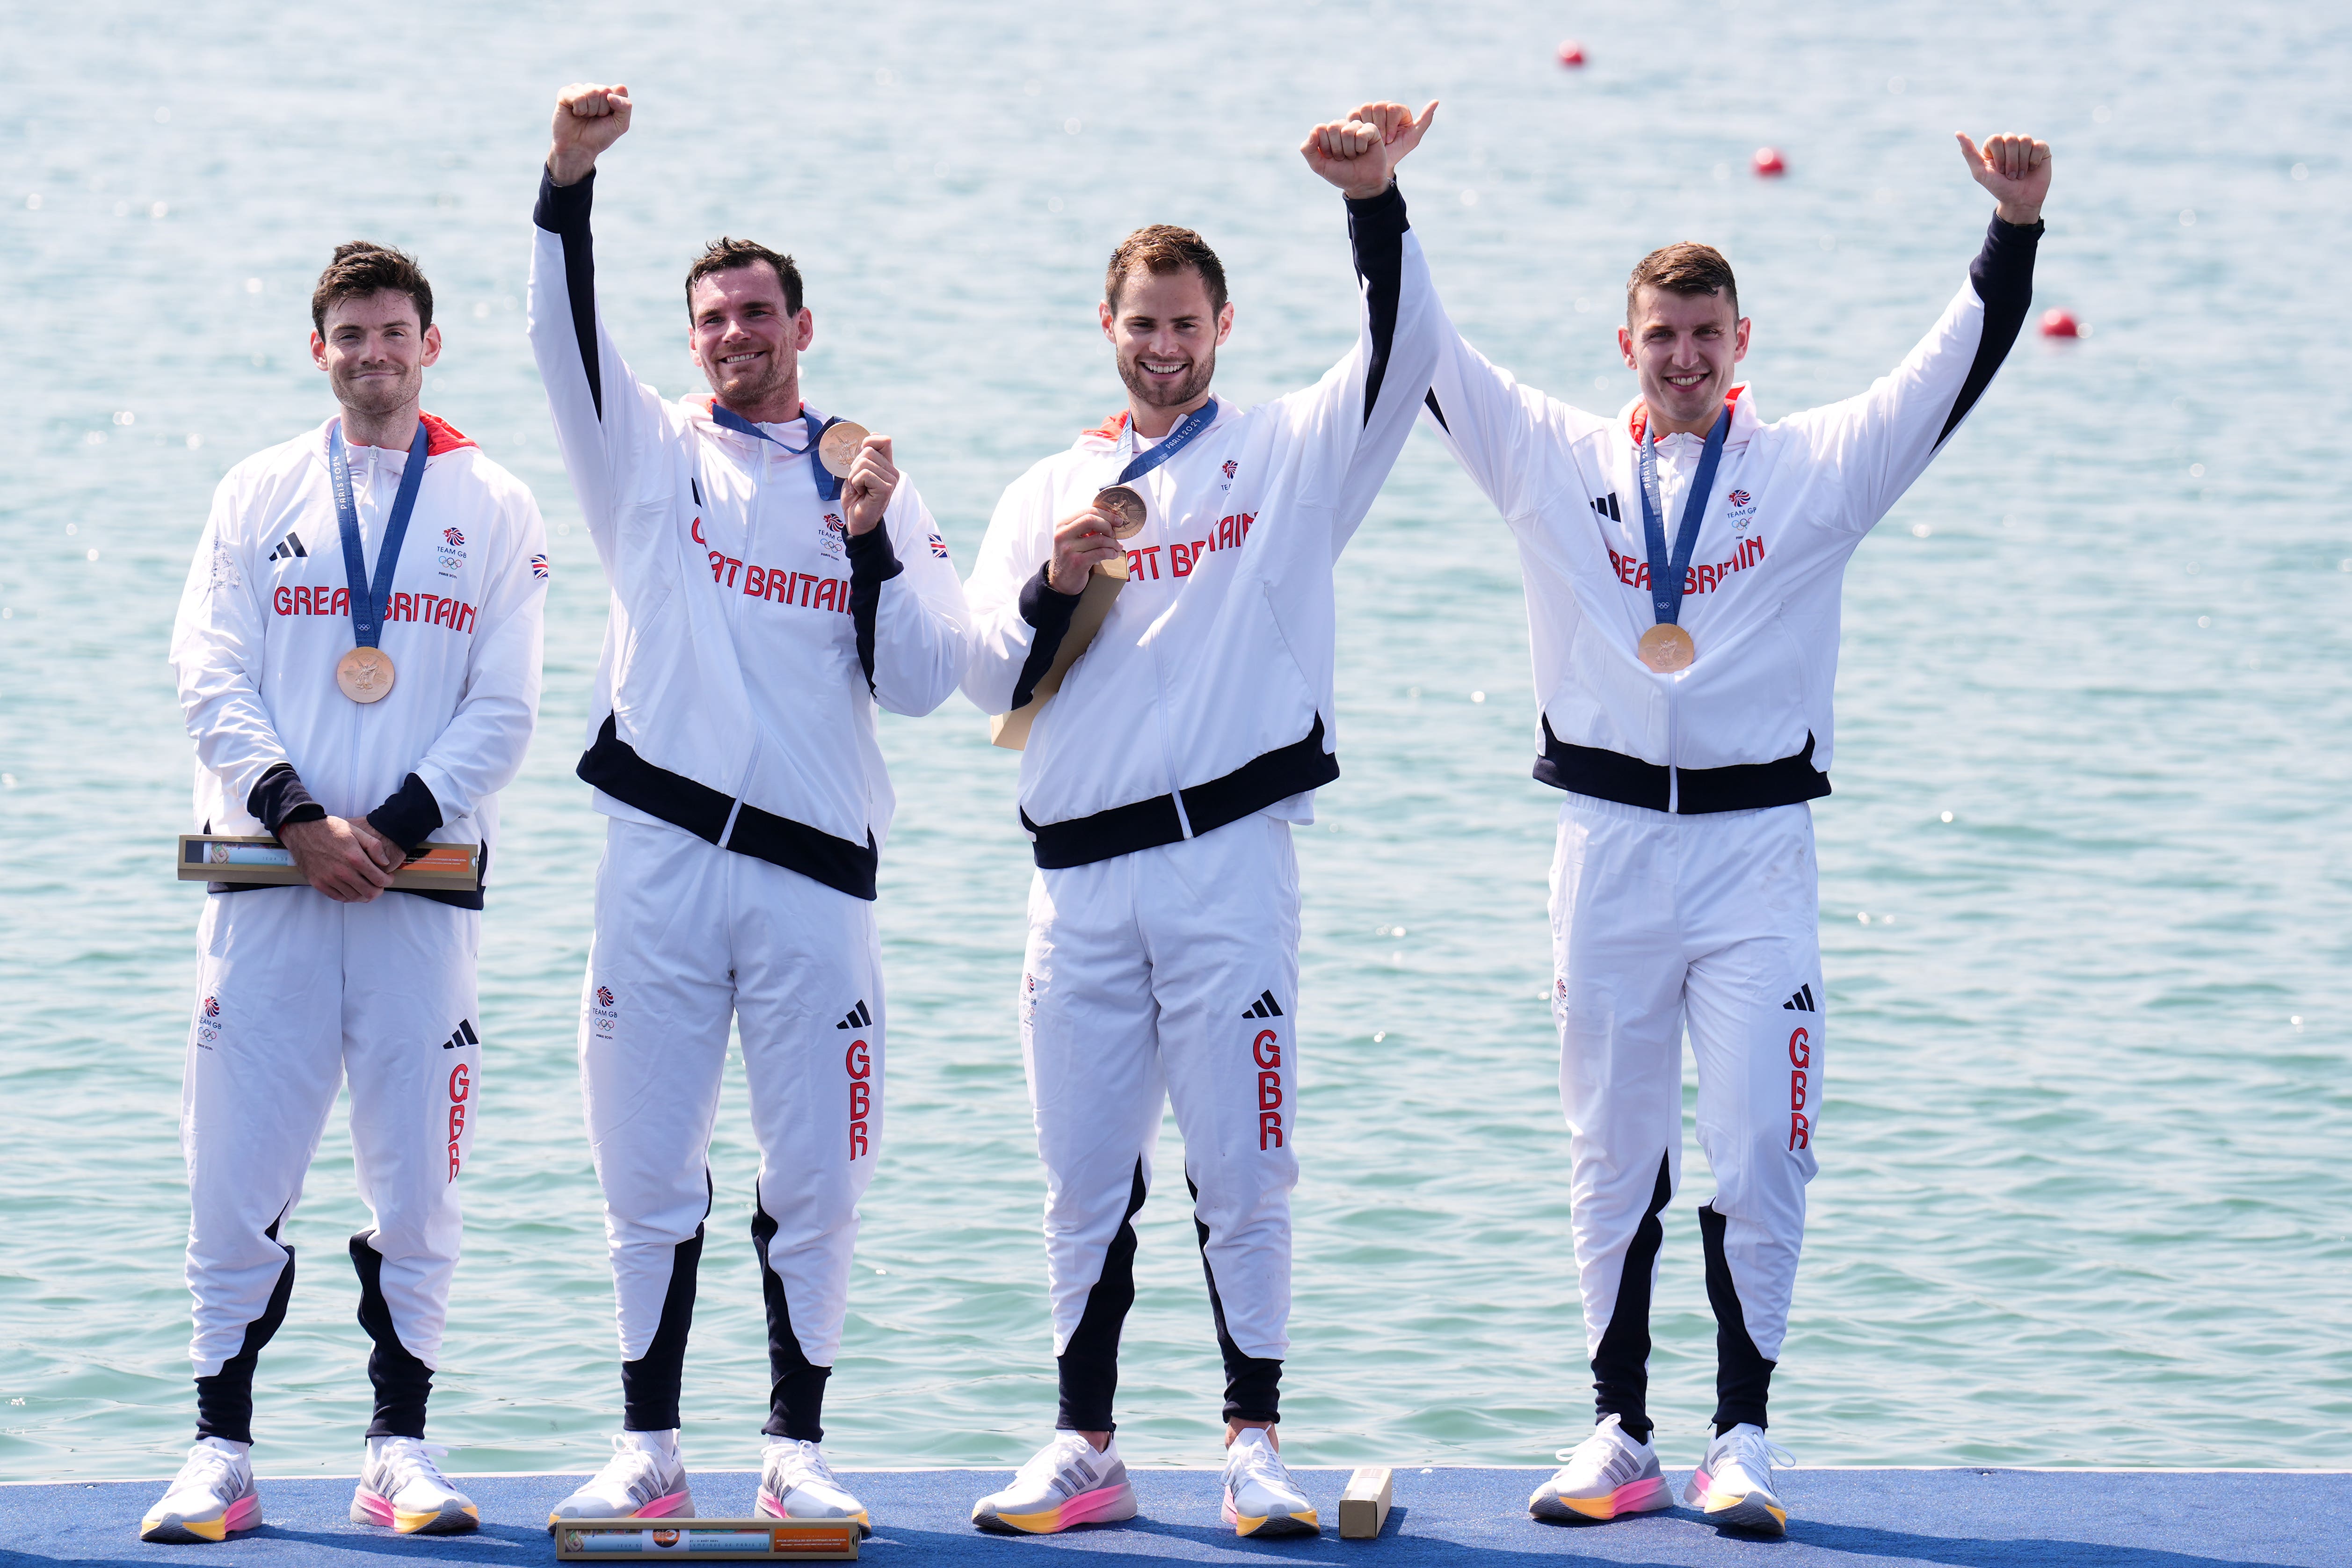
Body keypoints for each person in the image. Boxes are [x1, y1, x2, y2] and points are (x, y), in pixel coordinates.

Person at [1420, 132, 2053, 1535]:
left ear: (1740, 340)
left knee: (1763, 1142)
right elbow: (1426, 351)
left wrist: (2013, 228)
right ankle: (1615, 1429)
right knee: (1610, 1146)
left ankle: (1742, 1435)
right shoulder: (1552, 460)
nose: (1684, 358)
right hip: (1603, 844)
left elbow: (1953, 364)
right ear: (1626, 344)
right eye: (1662, 335)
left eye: (1707, 335)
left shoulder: (1814, 468)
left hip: (1755, 855)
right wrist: (1376, 203)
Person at [956, 101, 1439, 1539]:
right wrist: (1052, 579)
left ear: (1222, 323)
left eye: (1185, 320)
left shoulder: (1289, 454)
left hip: (1228, 864)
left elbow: (1404, 353)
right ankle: (1084, 1444)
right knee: (1079, 1179)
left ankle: (1250, 1442)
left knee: (1243, 1167)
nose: (1161, 342)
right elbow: (980, 673)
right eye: (1139, 321)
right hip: (1077, 881)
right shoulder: (1049, 485)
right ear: (1102, 323)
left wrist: (1373, 205)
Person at [525, 83, 972, 1537]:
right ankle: (649, 1444)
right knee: (646, 1173)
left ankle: (793, 1449)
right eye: (712, 315)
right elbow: (557, 338)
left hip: (814, 881)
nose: (734, 333)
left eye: (758, 312)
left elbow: (920, 686)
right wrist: (569, 182)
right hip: (658, 861)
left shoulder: (872, 480)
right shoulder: (648, 458)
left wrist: (869, 550)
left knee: (818, 1176)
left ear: (801, 327)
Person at [147, 242, 548, 1543]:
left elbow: (508, 704)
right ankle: (219, 1451)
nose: (372, 354)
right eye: (349, 335)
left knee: (417, 1182)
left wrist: (390, 829)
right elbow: (208, 671)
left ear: (431, 345)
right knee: (230, 1172)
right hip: (269, 882)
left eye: (394, 333)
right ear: (317, 350)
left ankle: (399, 1447)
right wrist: (300, 817)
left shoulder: (492, 503)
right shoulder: (259, 489)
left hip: (417, 894)